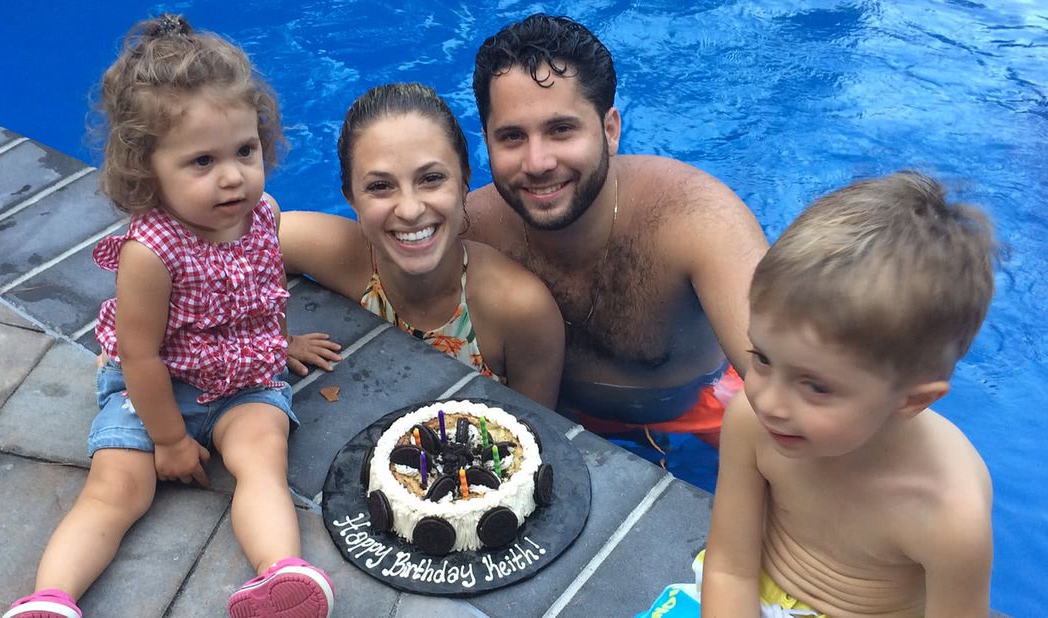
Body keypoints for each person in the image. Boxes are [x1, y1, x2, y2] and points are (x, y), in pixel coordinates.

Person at [3, 15, 336, 618]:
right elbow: (139, 354)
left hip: (242, 380)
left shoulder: (265, 214)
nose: (233, 175)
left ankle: (281, 576)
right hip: (154, 387)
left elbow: (264, 291)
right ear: (147, 169)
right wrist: (170, 439)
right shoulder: (150, 253)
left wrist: (279, 345)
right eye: (202, 162)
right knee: (115, 491)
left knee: (262, 458)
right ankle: (50, 600)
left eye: (244, 151)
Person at [467, 14, 768, 458]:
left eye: (561, 129)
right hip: (553, 413)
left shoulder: (695, 218)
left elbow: (791, 370)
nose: (537, 162)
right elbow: (365, 259)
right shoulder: (473, 227)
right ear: (487, 141)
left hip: (692, 411)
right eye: (512, 137)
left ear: (610, 130)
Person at [701, 171, 996, 616]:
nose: (768, 401)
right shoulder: (750, 420)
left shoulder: (949, 514)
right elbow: (730, 569)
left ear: (911, 401)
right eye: (761, 358)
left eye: (816, 386)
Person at [280, 83, 564, 409]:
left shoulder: (519, 308)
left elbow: (540, 435)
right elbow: (242, 238)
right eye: (380, 186)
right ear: (352, 200)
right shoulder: (348, 257)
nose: (410, 209)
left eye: (430, 179)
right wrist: (275, 338)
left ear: (464, 182)